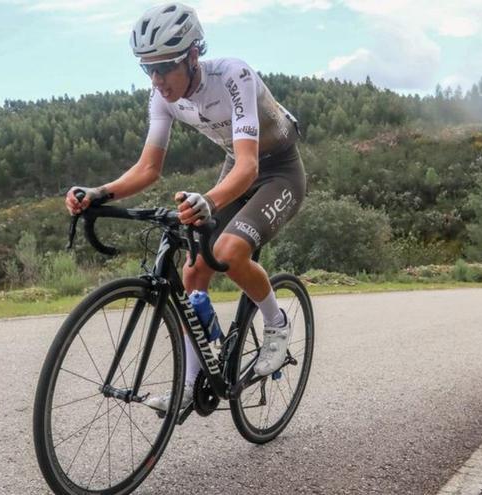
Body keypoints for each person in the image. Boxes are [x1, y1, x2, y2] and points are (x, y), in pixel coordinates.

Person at [64, 3, 306, 411]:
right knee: (194, 268)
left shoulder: (233, 76)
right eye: (148, 69)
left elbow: (249, 164)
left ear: (192, 56)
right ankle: (192, 385)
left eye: (165, 68)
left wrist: (208, 200)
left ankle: (276, 326)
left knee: (228, 252)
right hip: (237, 170)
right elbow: (147, 168)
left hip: (278, 171)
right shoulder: (162, 97)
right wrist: (98, 193)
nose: (157, 80)